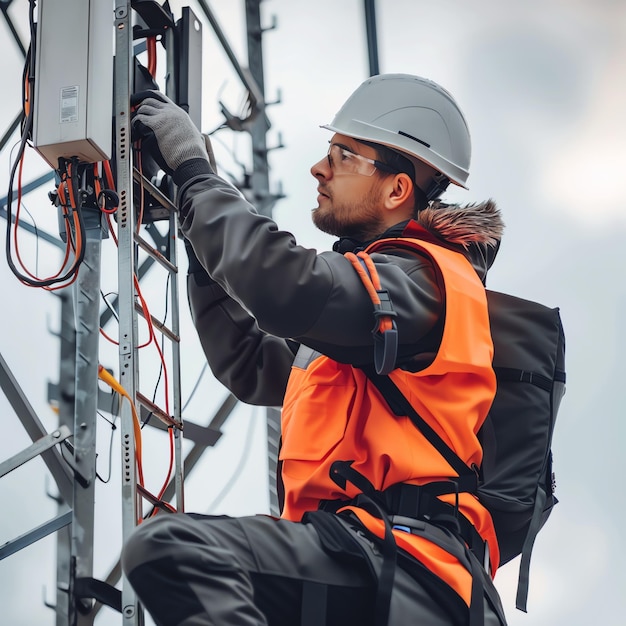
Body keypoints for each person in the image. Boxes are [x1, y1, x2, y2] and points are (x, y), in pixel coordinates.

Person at [122, 74, 508, 626]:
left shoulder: (419, 281)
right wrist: (195, 215)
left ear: (398, 189)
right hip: (357, 560)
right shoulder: (362, 324)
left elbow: (285, 285)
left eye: (343, 155)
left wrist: (194, 172)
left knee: (177, 552)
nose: (319, 169)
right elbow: (250, 361)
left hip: (414, 570)